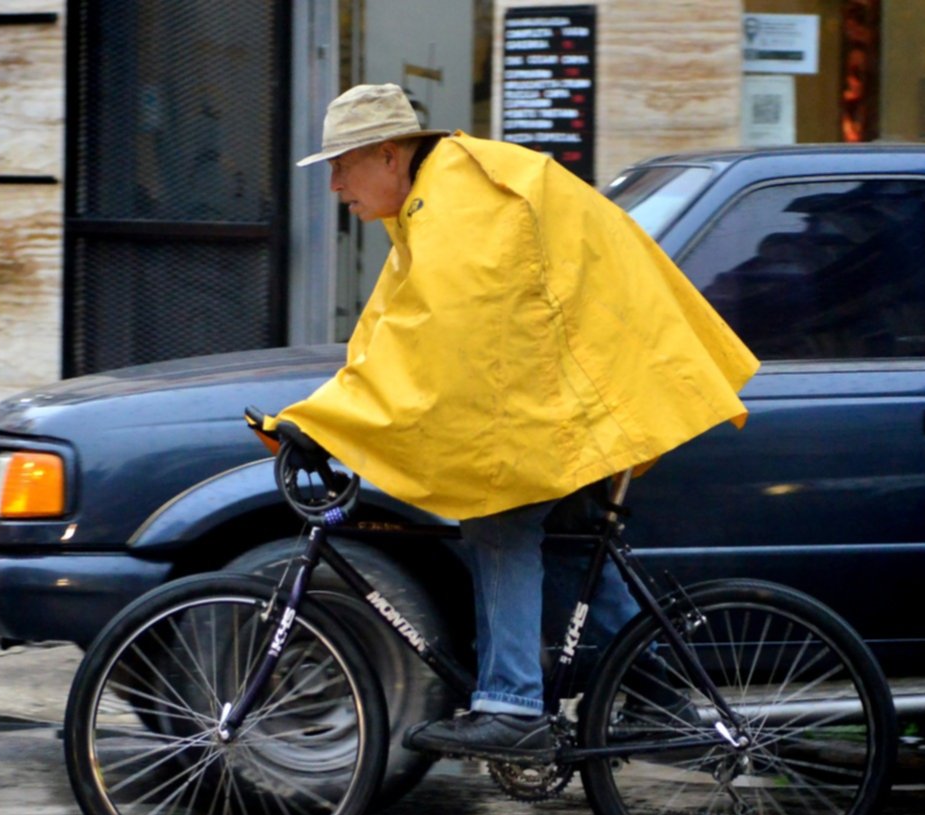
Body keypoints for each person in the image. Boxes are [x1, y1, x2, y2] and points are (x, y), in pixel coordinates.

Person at [271, 84, 760, 764]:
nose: (332, 186)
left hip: (580, 380)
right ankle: (660, 698)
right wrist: (328, 416)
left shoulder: (458, 203)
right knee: (564, 541)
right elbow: (385, 334)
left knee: (498, 510)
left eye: (339, 165)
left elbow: (437, 337)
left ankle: (511, 705)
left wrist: (328, 423)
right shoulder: (432, 200)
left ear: (387, 155)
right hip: (580, 377)